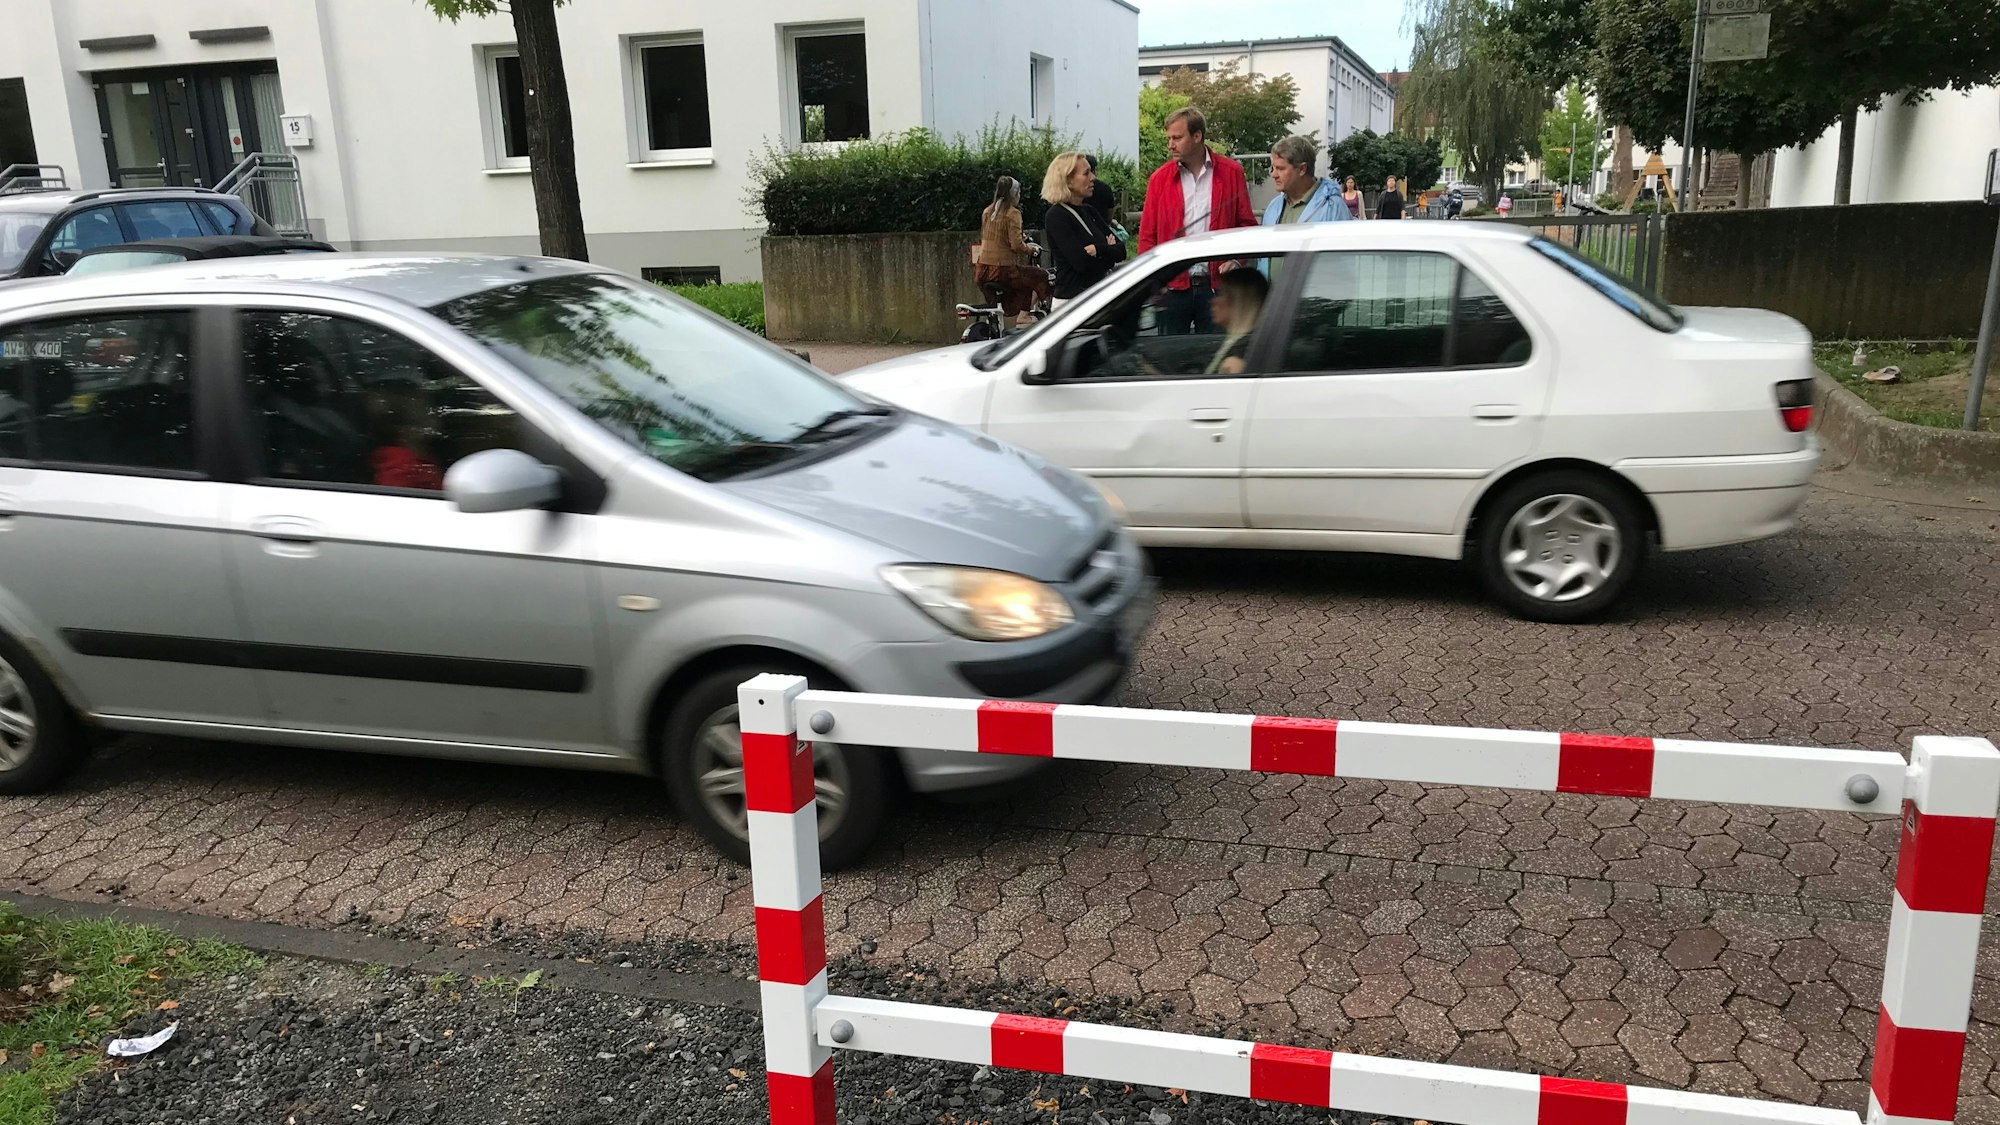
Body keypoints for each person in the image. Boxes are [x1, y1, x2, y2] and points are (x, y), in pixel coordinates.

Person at [1137, 106, 1256, 335]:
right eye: (1169, 138)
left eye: (1177, 138)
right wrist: (1153, 283)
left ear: (1197, 135)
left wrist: (1237, 260)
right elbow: (1147, 237)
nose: (1171, 144)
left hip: (1218, 288)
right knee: (1171, 361)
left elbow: (1247, 225)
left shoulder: (1231, 172)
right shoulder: (1159, 180)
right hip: (1172, 288)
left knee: (1216, 361)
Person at [1043, 151, 1127, 310]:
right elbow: (1082, 263)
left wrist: (1098, 250)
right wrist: (1109, 251)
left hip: (1096, 297)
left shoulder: (1089, 211)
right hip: (1072, 303)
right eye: (1086, 173)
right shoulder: (1057, 216)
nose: (1093, 178)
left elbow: (1121, 250)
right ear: (1068, 180)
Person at [973, 176, 1049, 328]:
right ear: (1014, 194)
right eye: (1018, 194)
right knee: (1039, 276)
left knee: (1023, 278)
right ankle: (1024, 316)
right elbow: (1016, 245)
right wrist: (1031, 250)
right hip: (1003, 271)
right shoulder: (1013, 213)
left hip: (982, 271)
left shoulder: (987, 211)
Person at [1203, 267, 1270, 376]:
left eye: (1220, 293)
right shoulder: (1252, 343)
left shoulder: (1234, 363)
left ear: (1239, 302)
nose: (1213, 301)